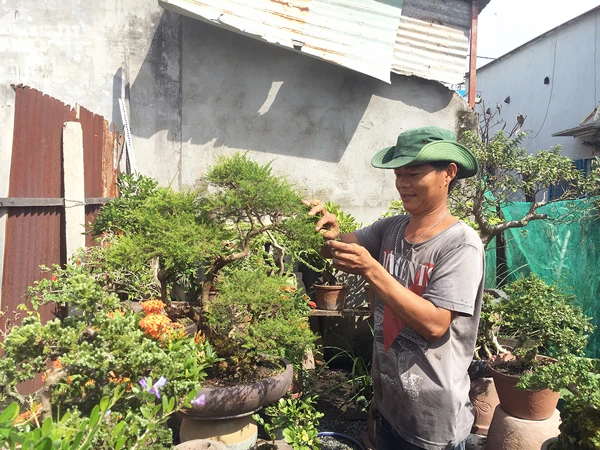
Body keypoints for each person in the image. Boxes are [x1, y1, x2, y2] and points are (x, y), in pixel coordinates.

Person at [306, 126, 485, 450]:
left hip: (432, 421)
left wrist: (373, 270)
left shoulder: (461, 244)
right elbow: (336, 250)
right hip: (390, 407)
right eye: (399, 174)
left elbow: (435, 323)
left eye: (414, 173)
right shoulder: (392, 227)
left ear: (449, 173)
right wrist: (327, 233)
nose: (403, 183)